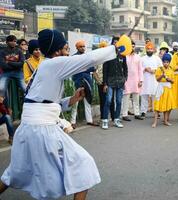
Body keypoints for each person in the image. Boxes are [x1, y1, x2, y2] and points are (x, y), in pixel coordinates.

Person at [0, 29, 121, 199]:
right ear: (57, 50)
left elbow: (43, 102)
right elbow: (89, 59)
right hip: (42, 131)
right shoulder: (53, 64)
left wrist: (72, 99)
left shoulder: (43, 66)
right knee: (83, 166)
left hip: (27, 130)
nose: (67, 52)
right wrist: (114, 48)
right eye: (65, 48)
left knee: (13, 173)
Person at [70, 40, 98, 128]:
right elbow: (74, 69)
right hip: (78, 81)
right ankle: (72, 121)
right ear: (77, 48)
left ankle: (89, 120)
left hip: (87, 81)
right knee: (76, 101)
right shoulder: (74, 57)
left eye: (83, 46)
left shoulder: (87, 57)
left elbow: (92, 69)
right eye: (80, 46)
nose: (82, 48)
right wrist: (85, 68)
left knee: (88, 100)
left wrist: (83, 68)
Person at [102, 37, 128, 130]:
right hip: (110, 82)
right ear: (112, 43)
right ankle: (105, 120)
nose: (116, 44)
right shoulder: (108, 56)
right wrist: (104, 83)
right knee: (108, 101)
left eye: (118, 42)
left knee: (119, 101)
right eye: (115, 42)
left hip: (120, 82)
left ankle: (117, 119)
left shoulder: (122, 55)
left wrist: (125, 78)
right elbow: (104, 71)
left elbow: (125, 68)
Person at [93, 41, 115, 121]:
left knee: (111, 100)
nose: (103, 48)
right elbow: (94, 71)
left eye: (104, 47)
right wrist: (98, 81)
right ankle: (103, 118)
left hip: (109, 82)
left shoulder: (109, 58)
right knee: (102, 100)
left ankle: (113, 117)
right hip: (100, 82)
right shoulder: (97, 59)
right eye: (101, 47)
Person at [122, 41, 144, 121]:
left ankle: (137, 113)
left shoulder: (138, 57)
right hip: (126, 80)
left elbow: (140, 70)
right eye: (131, 46)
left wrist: (141, 80)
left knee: (136, 98)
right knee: (126, 98)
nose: (132, 48)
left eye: (133, 46)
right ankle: (124, 114)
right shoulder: (124, 56)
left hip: (136, 80)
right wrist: (122, 80)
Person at [152, 53, 175, 128]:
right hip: (160, 88)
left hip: (168, 89)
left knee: (166, 105)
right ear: (162, 62)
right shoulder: (159, 69)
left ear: (169, 62)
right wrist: (162, 75)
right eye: (164, 62)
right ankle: (155, 122)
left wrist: (169, 79)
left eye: (167, 62)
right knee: (158, 105)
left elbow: (173, 81)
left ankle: (165, 121)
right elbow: (157, 79)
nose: (166, 63)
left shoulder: (171, 70)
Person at [0, 35, 26, 100]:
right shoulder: (2, 52)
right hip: (6, 73)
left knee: (25, 88)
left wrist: (9, 62)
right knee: (1, 88)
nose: (13, 42)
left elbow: (22, 63)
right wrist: (16, 65)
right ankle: (5, 107)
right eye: (11, 41)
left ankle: (28, 102)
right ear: (7, 42)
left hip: (18, 72)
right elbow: (3, 65)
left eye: (14, 41)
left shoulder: (19, 51)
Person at [140, 42, 161, 118]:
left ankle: (156, 111)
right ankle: (143, 112)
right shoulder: (142, 59)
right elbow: (139, 69)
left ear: (153, 50)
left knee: (155, 96)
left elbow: (161, 68)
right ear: (146, 49)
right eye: (148, 49)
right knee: (144, 96)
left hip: (154, 80)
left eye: (151, 49)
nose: (149, 50)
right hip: (145, 80)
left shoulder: (157, 58)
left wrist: (155, 71)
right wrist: (145, 69)